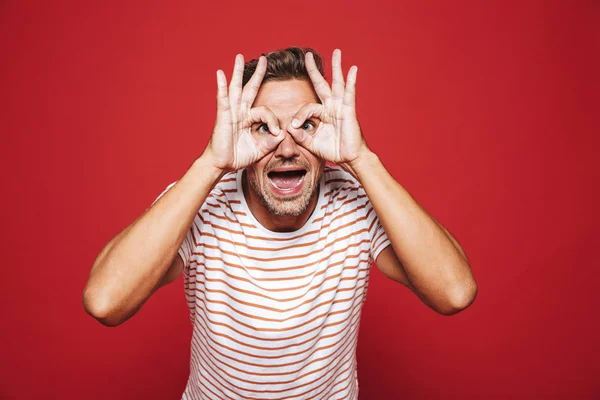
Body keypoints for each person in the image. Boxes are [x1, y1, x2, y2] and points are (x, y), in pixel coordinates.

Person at [83, 46, 477, 400]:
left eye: (305, 125)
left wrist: (363, 160)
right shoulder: (202, 199)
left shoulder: (356, 198)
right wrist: (209, 165)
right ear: (241, 132)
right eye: (264, 127)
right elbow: (105, 302)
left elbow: (454, 293)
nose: (286, 148)